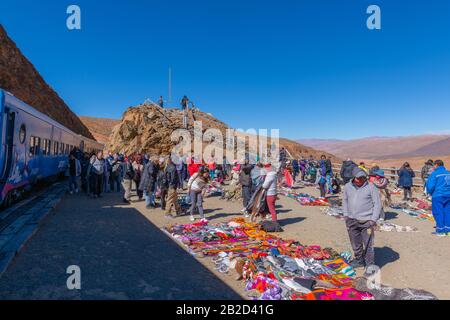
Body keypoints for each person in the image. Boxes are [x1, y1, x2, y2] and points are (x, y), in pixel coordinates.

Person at [342, 167, 382, 270]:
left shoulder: (371, 187)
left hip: (366, 221)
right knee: (355, 242)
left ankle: (370, 265)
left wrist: (373, 220)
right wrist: (346, 215)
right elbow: (345, 201)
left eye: (362, 178)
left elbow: (377, 204)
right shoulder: (347, 187)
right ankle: (359, 260)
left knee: (368, 244)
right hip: (351, 220)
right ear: (353, 177)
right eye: (358, 178)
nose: (360, 180)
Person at [426, 160, 450, 236]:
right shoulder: (448, 173)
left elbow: (430, 186)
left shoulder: (435, 174)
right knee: (447, 211)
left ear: (436, 165)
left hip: (438, 195)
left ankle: (441, 230)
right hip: (448, 195)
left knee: (438, 212)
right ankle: (448, 230)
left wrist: (430, 193)